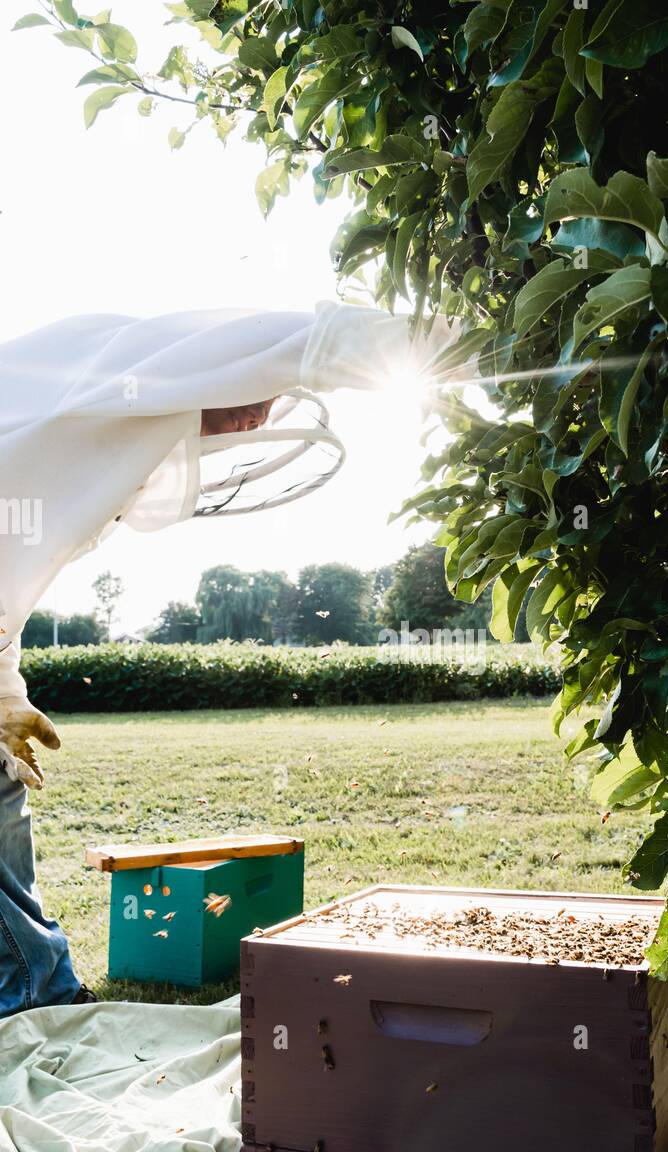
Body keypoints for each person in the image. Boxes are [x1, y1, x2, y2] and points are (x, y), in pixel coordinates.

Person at [0, 302, 447, 1015]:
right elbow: (309, 339)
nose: (258, 419)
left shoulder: (100, 422)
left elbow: (12, 580)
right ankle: (33, 993)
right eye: (253, 394)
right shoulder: (118, 385)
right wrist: (446, 342)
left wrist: (9, 691)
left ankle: (33, 984)